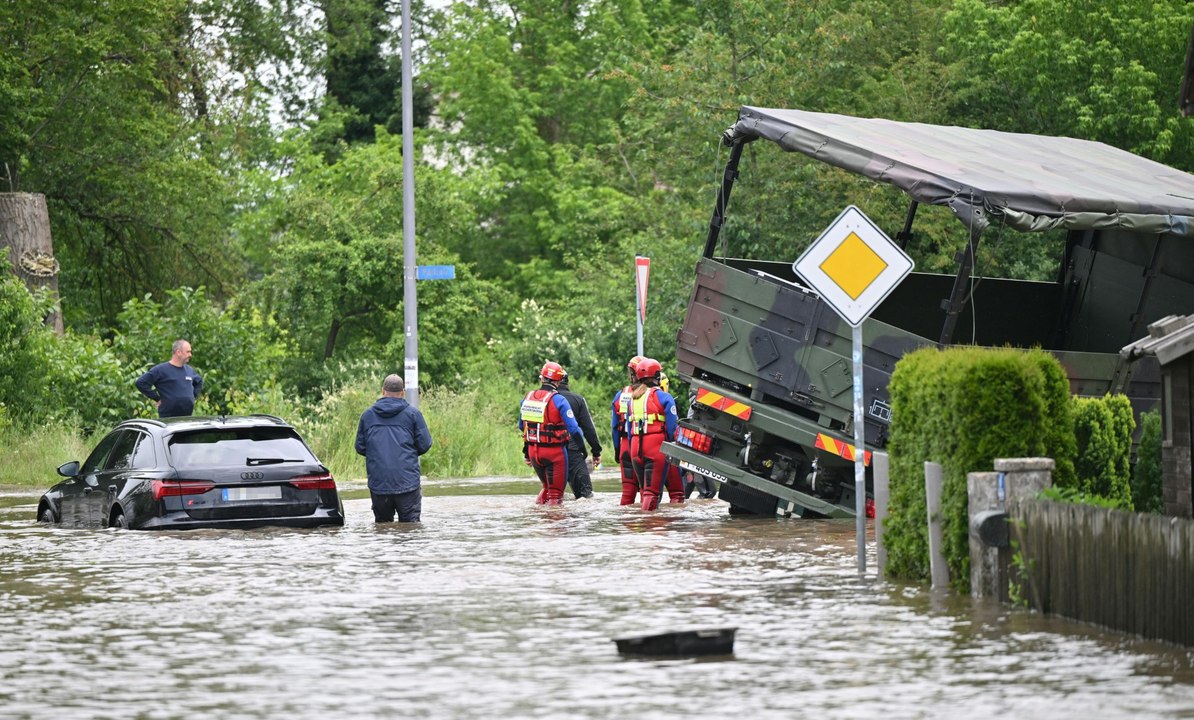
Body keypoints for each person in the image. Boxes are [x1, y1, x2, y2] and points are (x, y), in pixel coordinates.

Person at [355, 374, 433, 523]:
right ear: (402, 392)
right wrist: (408, 454)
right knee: (411, 529)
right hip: (407, 483)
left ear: (383, 391)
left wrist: (378, 454)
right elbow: (425, 444)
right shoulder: (413, 414)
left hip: (379, 484)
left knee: (382, 528)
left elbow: (360, 447)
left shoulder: (367, 416)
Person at [519, 361, 583, 505]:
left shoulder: (527, 398)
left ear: (542, 378)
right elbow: (574, 429)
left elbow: (522, 426)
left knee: (546, 487)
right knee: (556, 495)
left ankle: (536, 514)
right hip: (554, 453)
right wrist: (582, 449)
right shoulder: (559, 400)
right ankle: (555, 519)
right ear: (559, 380)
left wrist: (527, 452)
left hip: (534, 452)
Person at [626, 358, 680, 511]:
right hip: (655, 448)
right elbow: (672, 429)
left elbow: (629, 429)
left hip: (635, 448)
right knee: (652, 493)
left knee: (645, 491)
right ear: (657, 375)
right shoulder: (664, 397)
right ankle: (650, 524)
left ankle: (642, 522)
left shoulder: (633, 398)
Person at [557, 370, 602, 499]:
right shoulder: (577, 399)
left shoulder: (544, 399)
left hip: (547, 450)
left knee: (552, 494)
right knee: (585, 496)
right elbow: (588, 428)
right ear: (567, 382)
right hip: (572, 450)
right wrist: (596, 451)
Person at [135, 339, 204, 418]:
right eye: (188, 352)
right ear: (178, 352)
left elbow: (199, 381)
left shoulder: (189, 370)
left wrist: (192, 396)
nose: (190, 355)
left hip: (187, 418)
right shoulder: (161, 369)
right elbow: (140, 383)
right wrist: (156, 398)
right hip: (168, 419)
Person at [610, 355, 645, 505]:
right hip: (644, 445)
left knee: (627, 492)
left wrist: (617, 450)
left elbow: (614, 427)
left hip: (625, 446)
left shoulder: (620, 395)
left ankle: (626, 520)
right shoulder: (652, 394)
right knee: (646, 490)